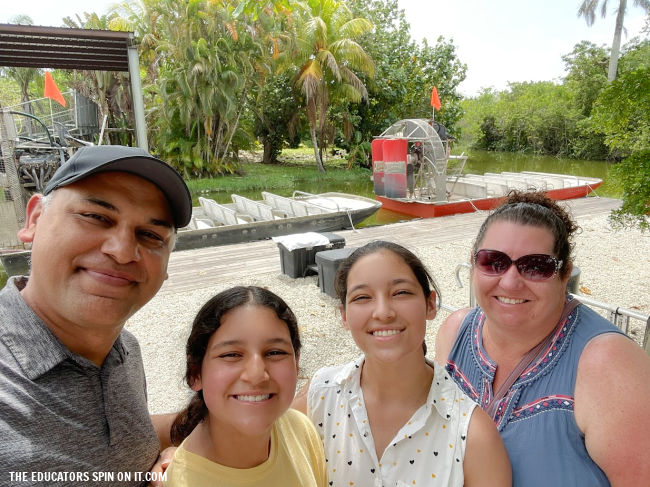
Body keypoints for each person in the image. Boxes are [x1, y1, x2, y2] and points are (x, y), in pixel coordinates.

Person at [0, 145, 192, 485]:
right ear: (34, 220)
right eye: (95, 216)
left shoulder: (125, 350)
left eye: (150, 235)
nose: (121, 251)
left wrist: (167, 456)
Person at [435, 191, 650, 486]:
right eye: (493, 261)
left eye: (536, 265)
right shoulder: (454, 333)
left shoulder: (609, 364)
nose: (510, 282)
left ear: (565, 275)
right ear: (473, 266)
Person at [293, 241, 511, 486]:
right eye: (363, 297)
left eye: (401, 293)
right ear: (343, 315)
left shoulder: (472, 434)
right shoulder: (319, 398)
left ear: (430, 304)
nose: (383, 312)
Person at [162, 286, 327, 487]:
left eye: (275, 352)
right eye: (231, 355)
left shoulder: (300, 429)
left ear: (296, 362)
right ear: (196, 373)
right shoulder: (181, 482)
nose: (257, 375)